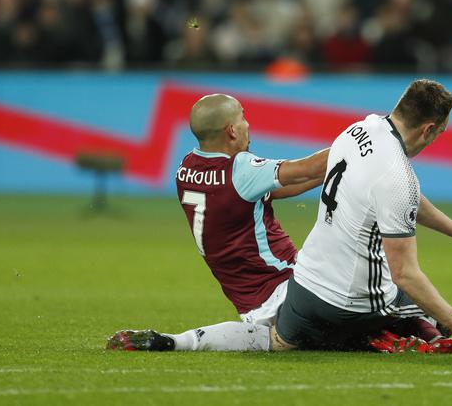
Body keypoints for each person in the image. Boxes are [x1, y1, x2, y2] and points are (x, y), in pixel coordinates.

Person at [269, 79, 452, 356]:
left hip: (303, 289)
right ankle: (396, 337)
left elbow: (394, 196)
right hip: (348, 303)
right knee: (438, 314)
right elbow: (404, 274)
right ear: (429, 129)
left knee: (281, 340)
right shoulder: (397, 176)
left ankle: (330, 337)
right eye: (441, 132)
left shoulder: (359, 129)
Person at [107, 93, 328, 351]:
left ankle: (178, 342)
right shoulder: (240, 169)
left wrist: (334, 172)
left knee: (280, 339)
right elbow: (306, 169)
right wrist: (355, 148)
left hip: (251, 304)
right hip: (289, 284)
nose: (248, 124)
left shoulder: (186, 167)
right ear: (232, 130)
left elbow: (279, 187)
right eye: (243, 117)